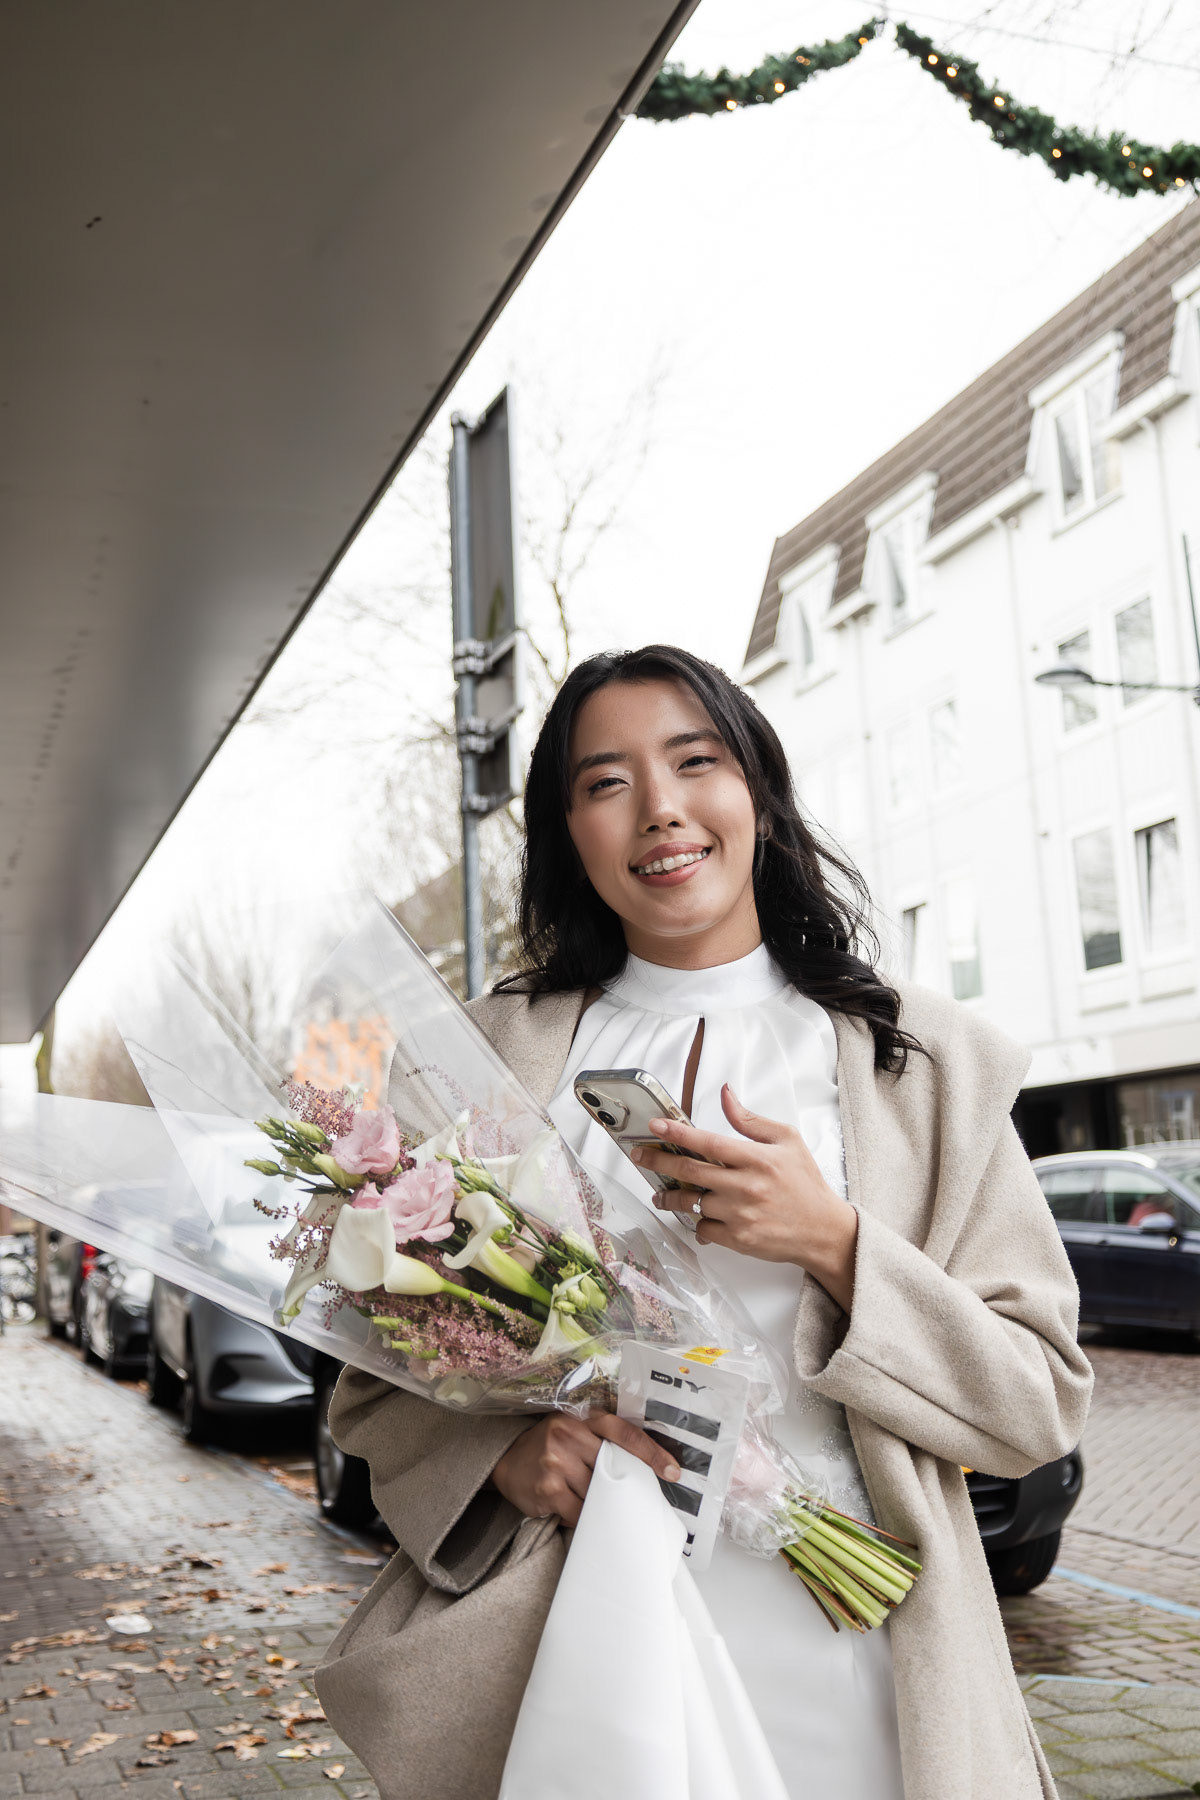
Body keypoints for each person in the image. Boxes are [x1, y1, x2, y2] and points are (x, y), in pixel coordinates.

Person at [316, 644, 1093, 1800]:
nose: (661, 809)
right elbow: (371, 1392)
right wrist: (509, 1457)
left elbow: (1035, 1401)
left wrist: (832, 1240)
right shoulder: (469, 1064)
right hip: (582, 1643)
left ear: (760, 797)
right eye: (606, 781)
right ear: (566, 830)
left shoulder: (921, 1066)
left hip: (866, 1657)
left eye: (695, 761)